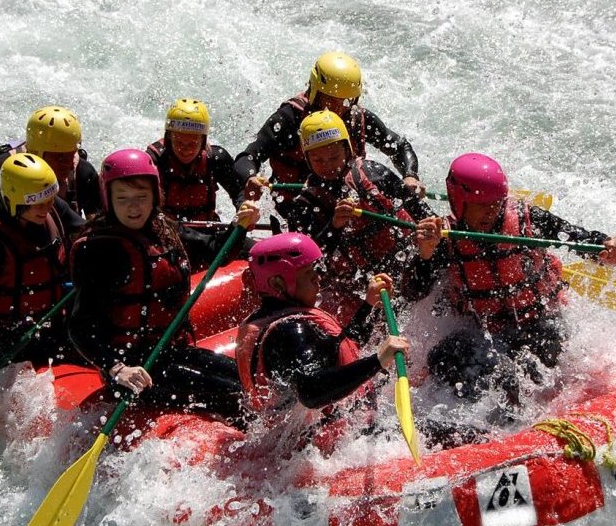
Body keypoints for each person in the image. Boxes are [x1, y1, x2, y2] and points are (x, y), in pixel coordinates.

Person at [407, 152, 616, 404]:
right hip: (481, 330)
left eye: (496, 203)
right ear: (459, 202)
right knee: (443, 357)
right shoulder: (444, 238)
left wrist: (611, 248)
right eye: (481, 206)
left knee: (536, 356)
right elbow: (412, 292)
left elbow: (578, 238)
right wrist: (425, 255)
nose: (490, 212)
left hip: (538, 321)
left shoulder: (529, 220)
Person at [67, 148, 257, 424]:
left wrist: (240, 228)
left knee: (249, 378)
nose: (134, 207)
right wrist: (117, 369)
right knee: (232, 393)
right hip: (134, 370)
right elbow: (79, 326)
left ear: (155, 195)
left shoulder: (164, 230)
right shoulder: (99, 250)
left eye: (142, 197)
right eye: (123, 199)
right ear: (108, 200)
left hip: (170, 352)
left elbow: (214, 249)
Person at [234, 232, 409, 456]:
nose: (317, 278)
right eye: (308, 273)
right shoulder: (290, 332)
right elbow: (311, 391)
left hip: (305, 442)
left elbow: (333, 350)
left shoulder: (279, 321)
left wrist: (368, 304)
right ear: (278, 283)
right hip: (323, 450)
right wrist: (377, 361)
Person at [0, 153, 84, 388]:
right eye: (38, 203)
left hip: (56, 317)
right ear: (14, 202)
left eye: (50, 198)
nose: (48, 207)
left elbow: (86, 232)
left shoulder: (50, 205)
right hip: (8, 334)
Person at [286, 110, 436, 322]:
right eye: (318, 160)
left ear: (348, 151)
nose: (327, 165)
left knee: (433, 258)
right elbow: (307, 262)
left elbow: (423, 213)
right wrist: (335, 225)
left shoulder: (374, 173)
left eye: (334, 157)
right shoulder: (305, 205)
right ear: (307, 159)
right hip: (357, 288)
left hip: (404, 267)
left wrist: (429, 232)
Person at [234, 52, 425, 215]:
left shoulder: (355, 116)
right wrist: (251, 178)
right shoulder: (288, 119)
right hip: (297, 210)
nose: (337, 109)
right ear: (315, 91)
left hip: (346, 206)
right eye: (330, 100)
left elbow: (399, 146)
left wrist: (410, 176)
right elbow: (247, 157)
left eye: (345, 101)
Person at [0, 105, 101, 267]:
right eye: (59, 158)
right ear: (36, 154)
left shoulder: (83, 172)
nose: (68, 164)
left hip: (54, 251)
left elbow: (98, 226)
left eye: (71, 154)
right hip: (5, 252)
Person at [146, 98, 244, 223]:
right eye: (179, 142)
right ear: (169, 139)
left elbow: (240, 192)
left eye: (193, 144)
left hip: (206, 234)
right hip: (166, 233)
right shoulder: (154, 161)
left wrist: (243, 208)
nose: (185, 150)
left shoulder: (216, 159)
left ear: (203, 142)